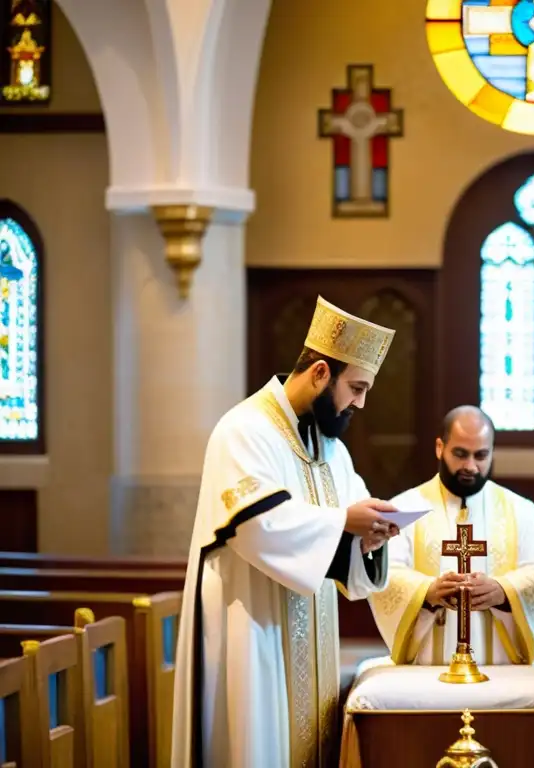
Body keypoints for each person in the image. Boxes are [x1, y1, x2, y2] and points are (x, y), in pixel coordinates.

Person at [171, 296, 403, 768]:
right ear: (320, 372)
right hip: (251, 623)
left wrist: (371, 537)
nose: (360, 402)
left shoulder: (330, 447)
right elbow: (255, 525)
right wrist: (344, 522)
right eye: (356, 387)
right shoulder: (244, 429)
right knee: (256, 741)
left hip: (310, 626)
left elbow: (354, 520)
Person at [369, 405, 534, 667]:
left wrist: (503, 590)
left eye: (481, 455)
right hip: (428, 667)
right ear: (439, 448)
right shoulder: (405, 508)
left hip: (499, 667)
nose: (470, 466)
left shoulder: (520, 509)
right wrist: (427, 591)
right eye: (460, 454)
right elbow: (385, 574)